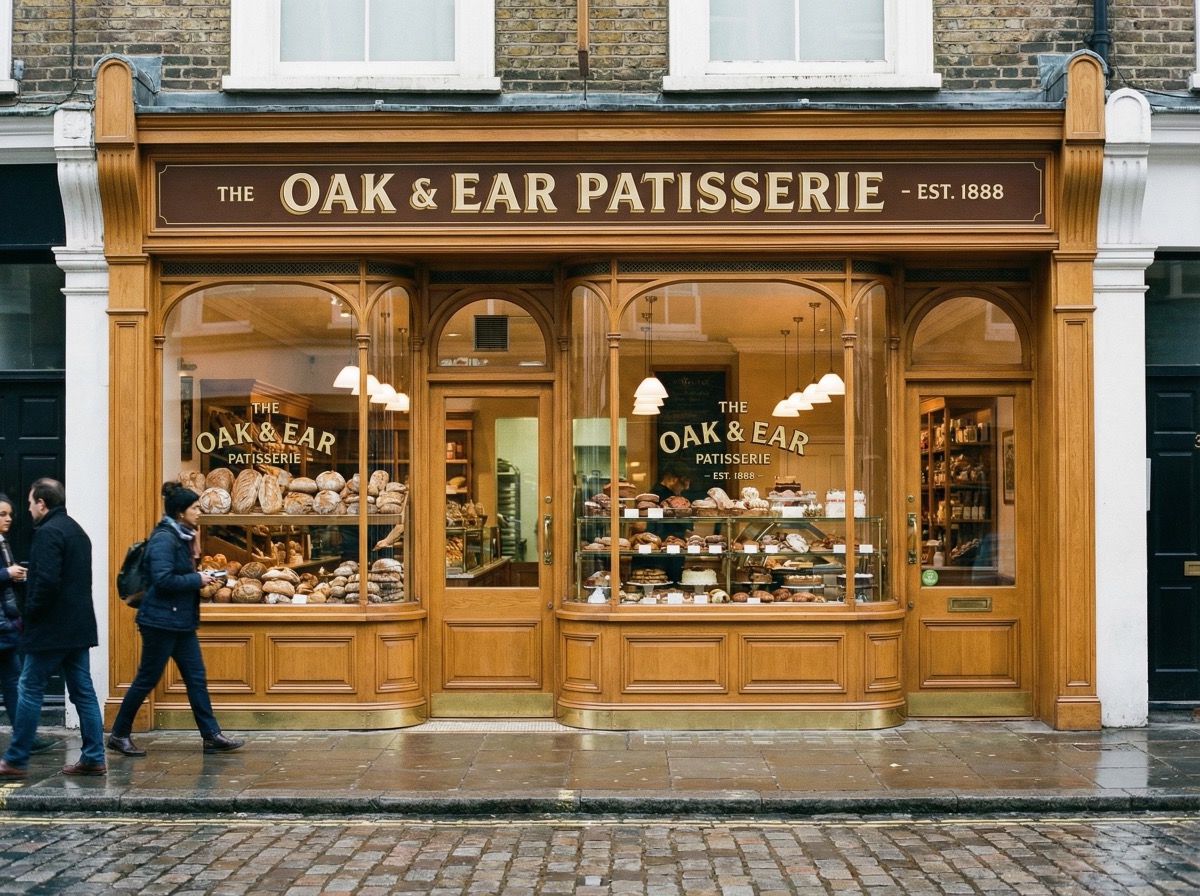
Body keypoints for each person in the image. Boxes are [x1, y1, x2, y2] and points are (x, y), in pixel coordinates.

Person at [107, 482, 244, 757]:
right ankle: (119, 734)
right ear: (181, 512)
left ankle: (211, 735)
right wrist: (198, 578)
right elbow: (163, 579)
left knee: (196, 678)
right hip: (160, 621)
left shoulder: (181, 535)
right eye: (194, 507)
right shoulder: (164, 538)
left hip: (179, 621)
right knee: (146, 679)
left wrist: (199, 574)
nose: (199, 512)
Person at [0, 479, 106, 778]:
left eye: (31, 502)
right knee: (83, 692)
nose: (29, 508)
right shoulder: (77, 531)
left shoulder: (47, 533)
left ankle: (16, 758)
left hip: (51, 630)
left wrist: (30, 616)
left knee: (29, 687)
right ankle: (94, 757)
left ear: (42, 503)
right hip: (79, 627)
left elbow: (45, 584)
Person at [0, 495, 61, 756]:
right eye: (2, 514)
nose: (9, 518)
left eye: (9, 514)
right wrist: (7, 574)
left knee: (15, 682)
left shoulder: (3, 542)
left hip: (7, 625)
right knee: (15, 681)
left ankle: (25, 735)